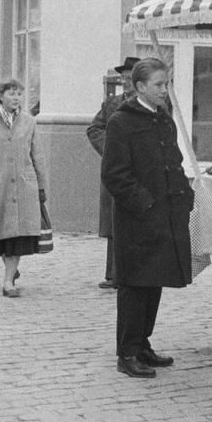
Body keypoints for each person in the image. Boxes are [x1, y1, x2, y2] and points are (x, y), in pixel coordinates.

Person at [101, 58, 193, 378]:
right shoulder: (120, 122)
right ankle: (126, 353)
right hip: (137, 219)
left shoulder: (163, 118)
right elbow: (115, 176)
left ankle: (142, 345)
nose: (164, 91)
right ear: (140, 87)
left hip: (165, 215)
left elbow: (175, 162)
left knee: (154, 281)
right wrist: (146, 205)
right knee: (134, 286)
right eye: (158, 85)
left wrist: (185, 196)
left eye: (166, 84)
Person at [0, 79, 47, 298]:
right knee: (0, 237)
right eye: (11, 93)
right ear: (0, 96)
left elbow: (38, 156)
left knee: (17, 237)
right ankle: (11, 269)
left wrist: (41, 186)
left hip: (24, 187)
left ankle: (8, 282)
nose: (16, 98)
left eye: (19, 94)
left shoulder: (29, 122)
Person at [86, 57, 139, 290]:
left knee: (135, 222)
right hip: (114, 171)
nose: (125, 83)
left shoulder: (150, 105)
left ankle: (135, 273)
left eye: (129, 79)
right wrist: (111, 149)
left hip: (139, 172)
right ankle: (113, 274)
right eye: (123, 79)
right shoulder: (111, 104)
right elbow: (94, 128)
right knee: (113, 223)